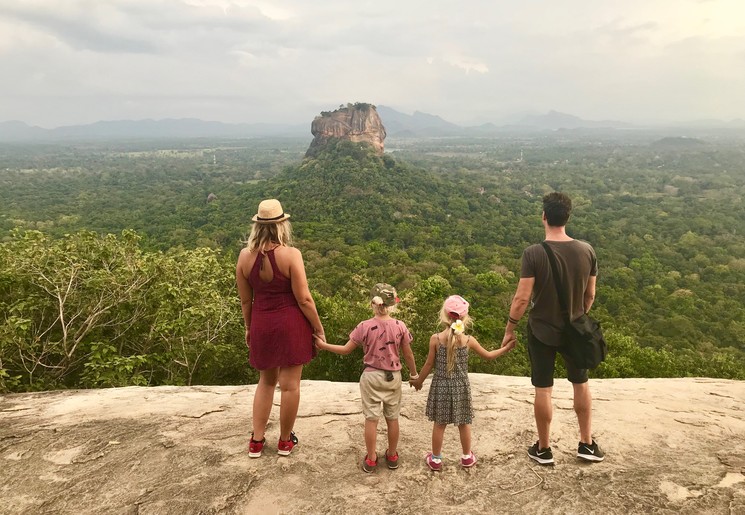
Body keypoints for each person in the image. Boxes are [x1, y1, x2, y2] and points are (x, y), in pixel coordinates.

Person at [500, 192, 604, 465]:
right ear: (567, 217)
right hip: (576, 329)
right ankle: (586, 444)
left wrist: (510, 328)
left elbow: (522, 299)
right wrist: (577, 317)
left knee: (543, 388)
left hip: (542, 330)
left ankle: (544, 449)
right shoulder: (587, 250)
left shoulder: (533, 253)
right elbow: (590, 296)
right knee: (580, 384)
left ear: (544, 216)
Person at [236, 199, 325, 458]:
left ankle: (256, 441)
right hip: (291, 324)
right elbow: (304, 299)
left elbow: (245, 300)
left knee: (265, 382)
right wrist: (317, 328)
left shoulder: (244, 257)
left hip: (262, 323)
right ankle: (285, 442)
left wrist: (249, 328)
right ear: (281, 225)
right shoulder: (291, 255)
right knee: (290, 385)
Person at [314, 283, 419, 473]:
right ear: (392, 304)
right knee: (392, 418)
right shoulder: (400, 326)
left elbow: (346, 350)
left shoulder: (364, 326)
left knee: (371, 419)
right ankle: (392, 455)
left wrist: (323, 345)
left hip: (371, 376)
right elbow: (409, 354)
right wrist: (413, 374)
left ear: (373, 303)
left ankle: (371, 459)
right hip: (393, 377)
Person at [410, 295, 516, 471]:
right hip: (461, 386)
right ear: (465, 318)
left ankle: (435, 459)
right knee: (464, 423)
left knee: (439, 423)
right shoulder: (468, 341)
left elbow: (429, 364)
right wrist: (506, 348)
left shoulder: (435, 339)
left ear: (444, 315)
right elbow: (489, 356)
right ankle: (467, 457)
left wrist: (419, 381)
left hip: (441, 386)